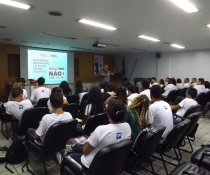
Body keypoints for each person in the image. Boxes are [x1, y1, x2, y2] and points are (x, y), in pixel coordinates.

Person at [69, 100, 131, 168]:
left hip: (92, 166)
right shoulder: (127, 127)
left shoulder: (101, 130)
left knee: (69, 156)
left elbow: (85, 151)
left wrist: (90, 139)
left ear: (108, 114)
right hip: (112, 164)